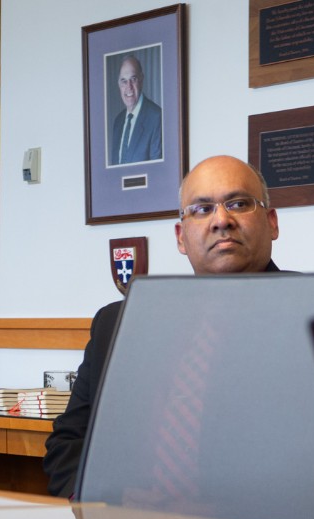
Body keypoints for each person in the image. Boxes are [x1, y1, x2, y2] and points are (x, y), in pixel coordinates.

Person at [43, 155, 285, 497]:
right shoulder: (118, 324)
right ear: (180, 237)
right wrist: (103, 508)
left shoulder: (308, 314)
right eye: (201, 209)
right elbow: (70, 442)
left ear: (272, 222)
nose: (221, 220)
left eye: (239, 203)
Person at [108, 55, 162, 166]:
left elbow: (157, 171)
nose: (129, 87)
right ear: (119, 84)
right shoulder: (118, 122)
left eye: (133, 79)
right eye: (124, 81)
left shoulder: (157, 117)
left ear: (141, 80)